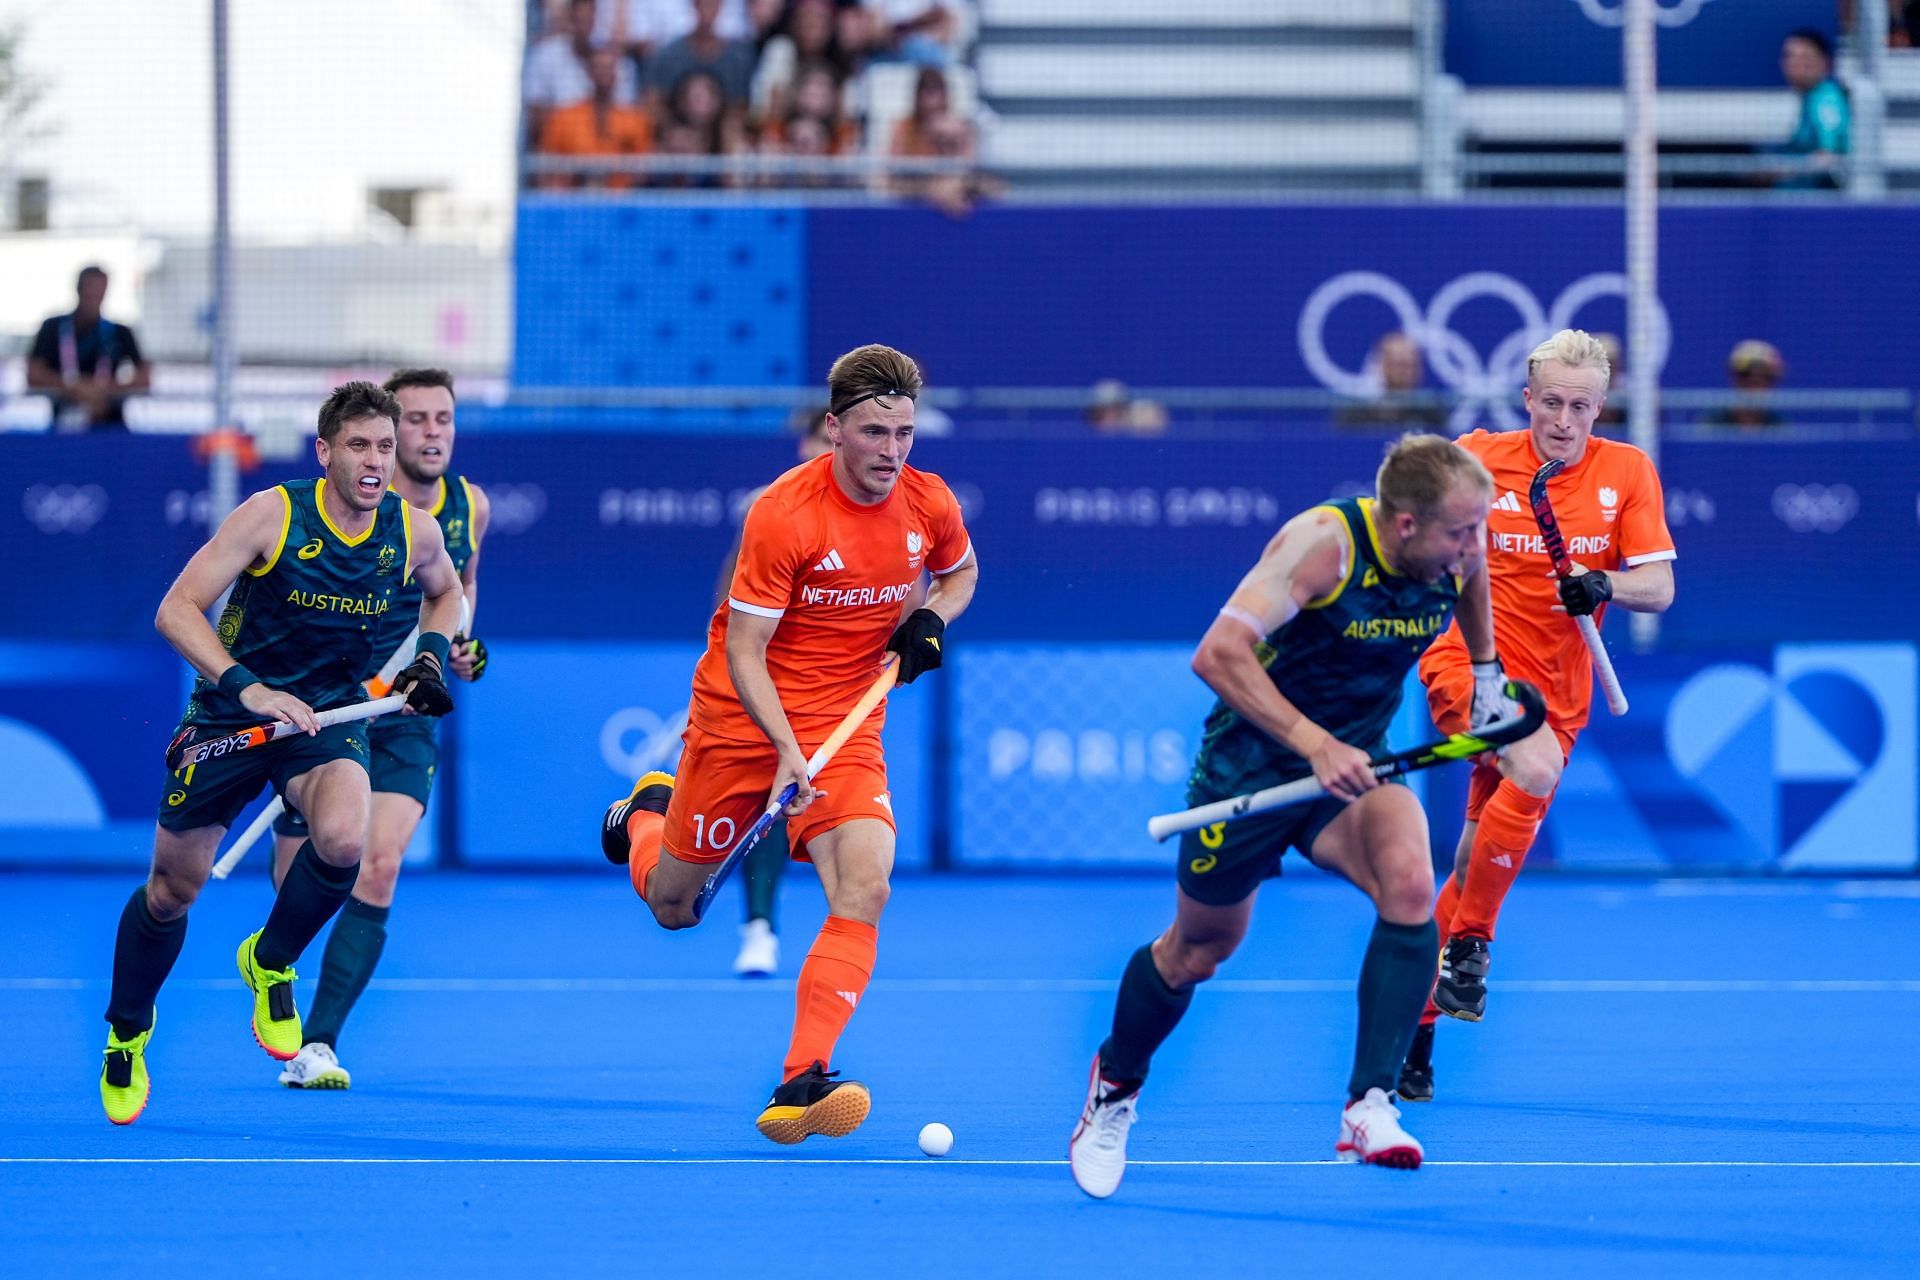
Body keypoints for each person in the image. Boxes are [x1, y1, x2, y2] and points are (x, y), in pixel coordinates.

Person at [1069, 433, 1505, 1197]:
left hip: (1354, 768)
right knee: (1199, 952)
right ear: (1405, 525)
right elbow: (1218, 653)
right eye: (1460, 533)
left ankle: (1369, 1106)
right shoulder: (1323, 546)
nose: (1474, 546)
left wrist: (1488, 673)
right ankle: (1115, 1088)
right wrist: (1311, 743)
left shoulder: (1460, 546)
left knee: (1410, 882)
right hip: (1253, 768)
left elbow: (1473, 583)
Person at [599, 344, 977, 1144]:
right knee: (677, 908)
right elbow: (744, 653)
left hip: (848, 722)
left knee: (865, 886)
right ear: (833, 428)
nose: (893, 451)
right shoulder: (783, 513)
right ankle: (645, 811)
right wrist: (785, 750)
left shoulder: (928, 501)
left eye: (906, 432)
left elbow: (962, 574)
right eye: (875, 432)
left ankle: (801, 1077)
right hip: (743, 719)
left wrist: (931, 620)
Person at [97, 381, 464, 1126]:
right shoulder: (273, 513)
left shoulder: (412, 531)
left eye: (384, 448)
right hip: (234, 714)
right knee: (173, 890)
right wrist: (250, 687)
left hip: (327, 717)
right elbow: (176, 609)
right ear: (325, 451)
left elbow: (446, 595)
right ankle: (128, 1031)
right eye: (358, 446)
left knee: (343, 838)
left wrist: (427, 657)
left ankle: (270, 960)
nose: (375, 461)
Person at [1398, 329, 1675, 1104]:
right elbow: (1416, 542)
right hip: (1471, 665)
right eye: (1550, 402)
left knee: (1471, 857)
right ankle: (1472, 949)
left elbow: (1657, 587)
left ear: (1600, 407)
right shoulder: (1479, 457)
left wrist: (1603, 583)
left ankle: (1411, 1031)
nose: (1563, 418)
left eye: (1579, 406)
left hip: (1562, 692)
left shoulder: (1628, 472)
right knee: (1535, 765)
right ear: (1528, 399)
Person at [267, 369, 491, 1090]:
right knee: (298, 883)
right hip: (329, 711)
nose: (433, 434)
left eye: (444, 420)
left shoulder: (469, 507)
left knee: (379, 859)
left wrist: (460, 643)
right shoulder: (357, 508)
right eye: (418, 421)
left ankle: (320, 1044)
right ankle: (279, 985)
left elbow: (459, 587)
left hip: (402, 713)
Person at [715, 407, 834, 977]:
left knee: (812, 811)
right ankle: (759, 928)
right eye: (813, 440)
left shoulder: (884, 510)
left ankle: (841, 940)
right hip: (770, 678)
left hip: (836, 683)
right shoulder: (772, 509)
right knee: (770, 802)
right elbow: (731, 606)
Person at [27, 264, 151, 431]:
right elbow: (34, 373)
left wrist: (104, 390)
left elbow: (144, 377)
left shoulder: (119, 332)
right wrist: (73, 388)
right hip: (64, 422)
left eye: (99, 290)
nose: (94, 295)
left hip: (110, 423)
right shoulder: (53, 327)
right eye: (89, 289)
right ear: (79, 289)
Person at [538, 46, 655, 189]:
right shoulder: (564, 118)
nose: (603, 73)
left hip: (621, 200)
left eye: (608, 67)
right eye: (598, 67)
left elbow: (642, 169)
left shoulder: (635, 120)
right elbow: (546, 166)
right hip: (573, 198)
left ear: (616, 73)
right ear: (589, 72)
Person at [1775, 28, 1849, 190]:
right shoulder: (1810, 98)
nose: (1796, 64)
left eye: (1805, 58)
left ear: (1825, 63)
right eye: (1789, 56)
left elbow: (1829, 156)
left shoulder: (1827, 99)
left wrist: (1784, 170)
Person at [1333, 332, 1447, 432]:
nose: (1405, 372)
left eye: (1410, 365)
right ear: (1383, 365)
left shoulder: (1431, 415)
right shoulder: (1355, 415)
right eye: (1399, 365)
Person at [1701, 339, 1787, 431]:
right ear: (1734, 379)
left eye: (1764, 378)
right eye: (1745, 375)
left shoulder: (1779, 427)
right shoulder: (1713, 423)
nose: (1754, 387)